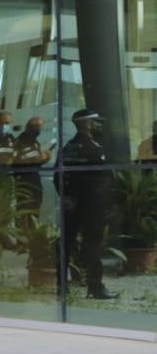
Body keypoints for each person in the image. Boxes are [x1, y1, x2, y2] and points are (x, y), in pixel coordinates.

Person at [60, 108, 116, 299]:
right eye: (97, 122)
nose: (100, 125)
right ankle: (96, 287)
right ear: (88, 124)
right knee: (93, 245)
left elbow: (57, 176)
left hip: (72, 205)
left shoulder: (68, 147)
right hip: (91, 207)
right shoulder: (93, 148)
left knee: (66, 244)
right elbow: (100, 180)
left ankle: (61, 287)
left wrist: (67, 197)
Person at [13, 115, 53, 216]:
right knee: (24, 211)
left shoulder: (35, 143)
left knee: (35, 209)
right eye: (37, 127)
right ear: (30, 127)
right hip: (24, 181)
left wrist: (45, 158)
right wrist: (38, 158)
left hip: (34, 180)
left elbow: (36, 163)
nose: (39, 130)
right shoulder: (20, 142)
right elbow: (18, 161)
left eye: (40, 127)